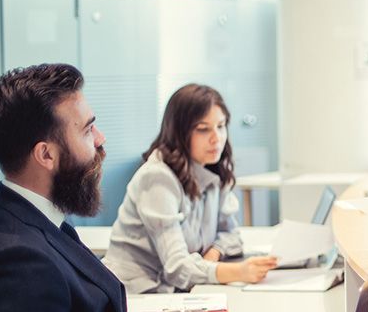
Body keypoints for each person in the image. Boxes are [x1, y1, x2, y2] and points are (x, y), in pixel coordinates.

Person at [0, 63, 268, 312]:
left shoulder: (41, 223)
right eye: (87, 130)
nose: (100, 139)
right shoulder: (21, 257)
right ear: (46, 154)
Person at [103, 84, 277, 294]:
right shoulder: (158, 177)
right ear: (179, 133)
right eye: (203, 129)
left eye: (221, 126)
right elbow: (177, 268)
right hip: (136, 294)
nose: (216, 138)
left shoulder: (213, 170)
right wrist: (238, 271)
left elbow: (231, 235)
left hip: (178, 291)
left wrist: (213, 255)